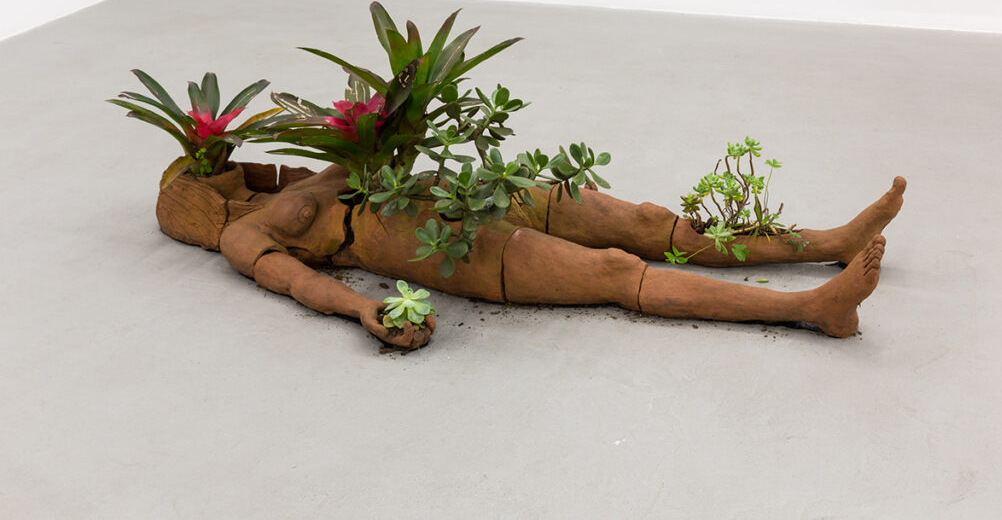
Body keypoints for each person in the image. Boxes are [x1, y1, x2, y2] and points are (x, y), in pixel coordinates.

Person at [156, 161, 905, 350]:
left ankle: (829, 242)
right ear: (189, 198)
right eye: (204, 161)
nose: (221, 160)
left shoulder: (295, 169)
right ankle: (812, 308)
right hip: (445, 250)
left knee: (647, 221)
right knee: (616, 272)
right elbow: (297, 284)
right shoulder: (240, 235)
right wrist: (361, 308)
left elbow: (381, 146)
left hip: (480, 192)